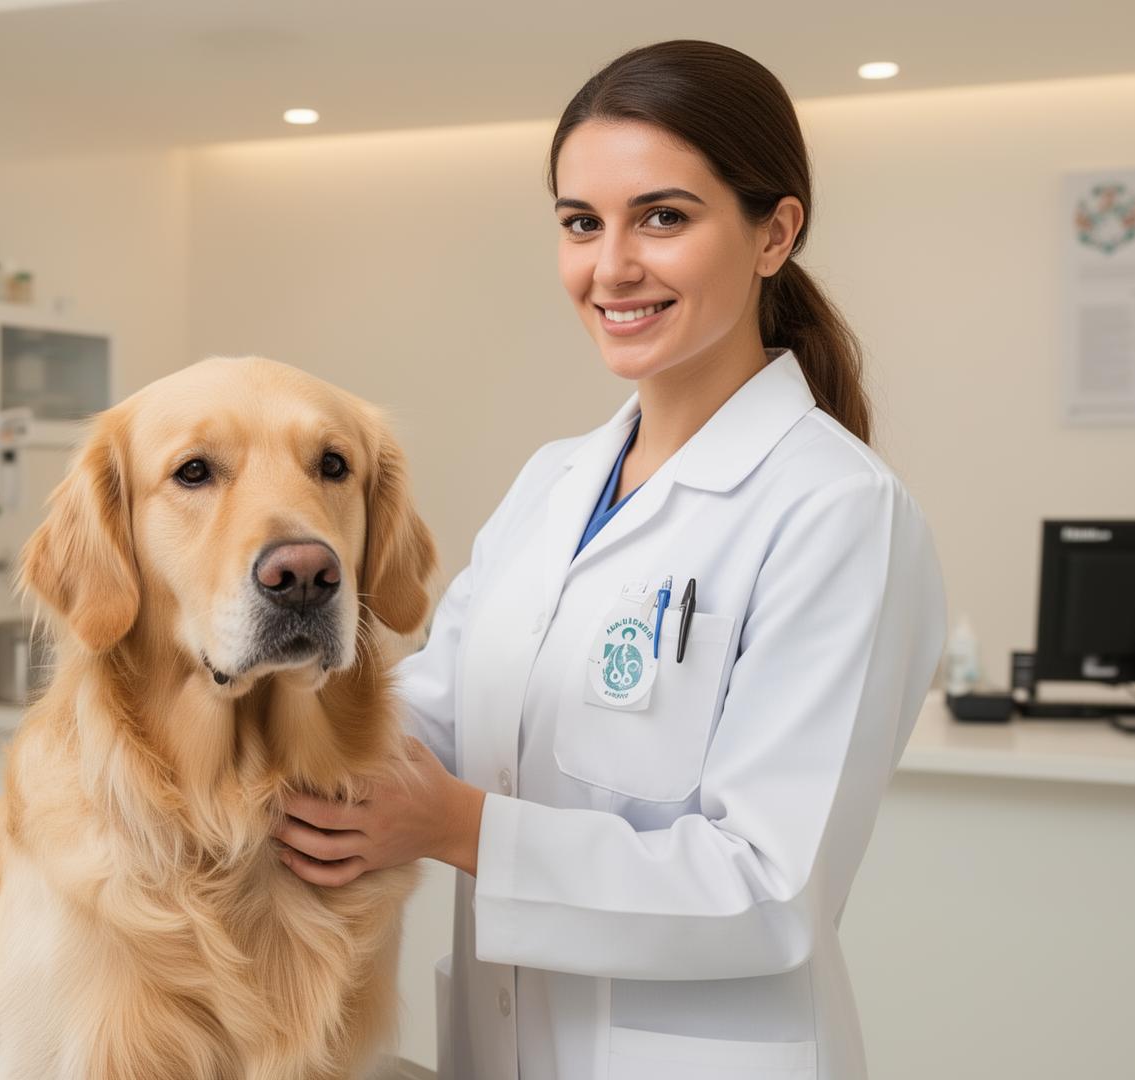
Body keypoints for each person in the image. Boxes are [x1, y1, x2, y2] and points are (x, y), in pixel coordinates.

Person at [273, 39, 947, 1080]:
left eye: (663, 218)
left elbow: (769, 890)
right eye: (581, 224)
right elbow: (429, 716)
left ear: (776, 232)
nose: (612, 266)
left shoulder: (837, 510)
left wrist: (462, 829)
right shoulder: (555, 484)